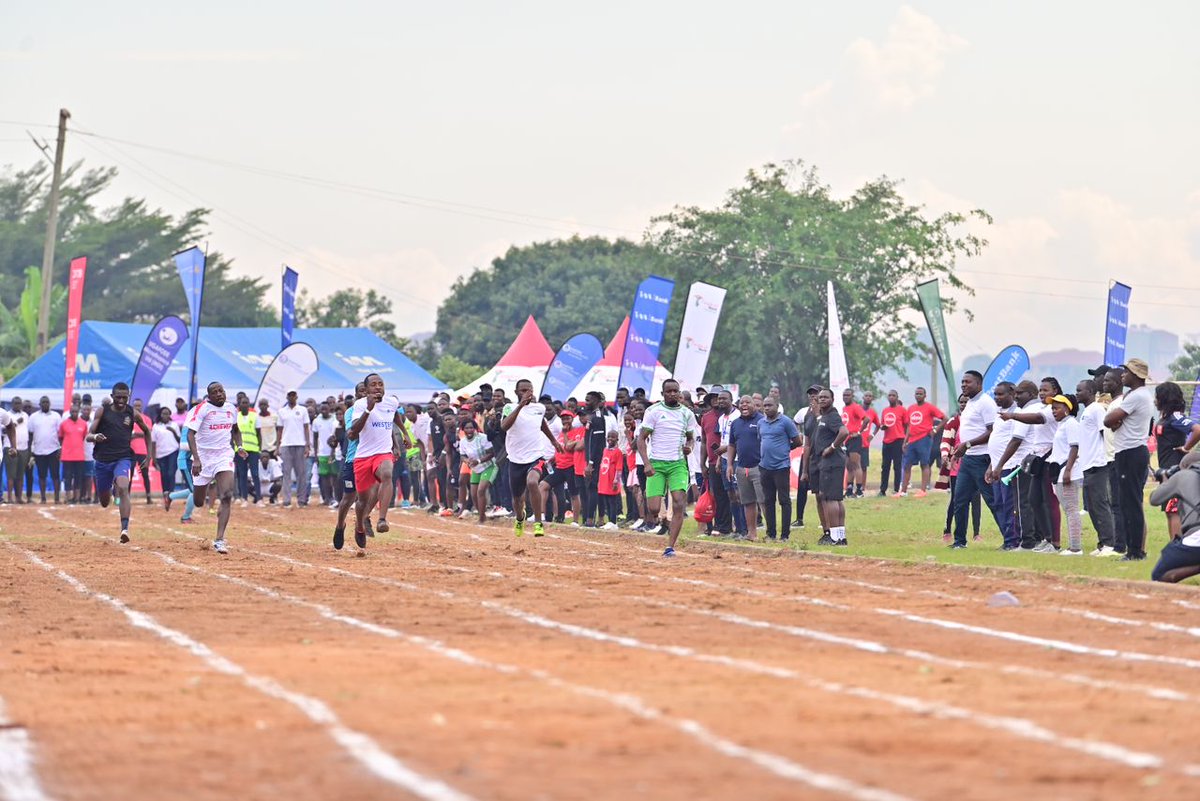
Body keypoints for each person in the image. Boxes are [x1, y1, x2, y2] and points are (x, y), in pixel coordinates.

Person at [347, 373, 413, 550]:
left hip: (383, 452)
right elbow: (355, 430)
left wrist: (404, 434)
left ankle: (382, 519)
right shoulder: (360, 405)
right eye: (374, 385)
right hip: (363, 456)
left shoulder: (391, 402)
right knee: (362, 500)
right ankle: (360, 525)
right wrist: (369, 409)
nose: (378, 387)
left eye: (380, 384)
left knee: (386, 474)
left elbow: (394, 415)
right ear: (367, 389)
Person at [945, 371, 1006, 549]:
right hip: (968, 460)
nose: (963, 385)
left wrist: (968, 444)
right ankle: (959, 541)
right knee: (960, 500)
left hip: (982, 458)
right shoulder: (970, 402)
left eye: (968, 382)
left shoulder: (986, 402)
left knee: (992, 500)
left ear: (979, 384)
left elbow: (992, 431)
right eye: (962, 382)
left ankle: (1009, 539)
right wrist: (960, 451)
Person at [637, 379, 697, 557]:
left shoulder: (687, 414)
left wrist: (690, 447)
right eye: (669, 391)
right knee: (654, 508)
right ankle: (658, 519)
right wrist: (647, 463)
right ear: (663, 394)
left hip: (677, 464)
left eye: (675, 391)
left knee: (679, 502)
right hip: (656, 463)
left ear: (679, 393)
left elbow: (691, 438)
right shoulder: (653, 411)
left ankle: (670, 546)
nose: (672, 394)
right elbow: (641, 439)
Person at [89, 383, 153, 543]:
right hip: (102, 460)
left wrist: (149, 455)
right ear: (112, 396)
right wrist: (96, 437)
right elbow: (88, 435)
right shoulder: (102, 411)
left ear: (128, 396)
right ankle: (109, 490)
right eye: (118, 397)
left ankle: (124, 528)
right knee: (104, 502)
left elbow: (147, 431)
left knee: (124, 488)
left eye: (125, 397)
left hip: (123, 458)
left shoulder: (133, 413)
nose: (121, 400)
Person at [186, 382, 244, 555]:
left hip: (223, 456)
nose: (220, 394)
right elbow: (190, 434)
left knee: (226, 495)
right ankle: (197, 495)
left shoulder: (231, 408)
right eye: (215, 392)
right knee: (198, 501)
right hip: (203, 458)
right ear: (209, 396)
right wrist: (196, 459)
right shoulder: (201, 409)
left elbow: (235, 430)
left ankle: (219, 539)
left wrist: (239, 446)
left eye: (222, 391)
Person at [1104, 359, 1154, 561]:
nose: (1122, 375)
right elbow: (1114, 424)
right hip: (1129, 452)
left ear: (1136, 375)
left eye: (1126, 372)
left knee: (1131, 504)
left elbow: (1108, 421)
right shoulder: (1135, 396)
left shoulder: (1136, 397)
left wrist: (1116, 419)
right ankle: (1134, 550)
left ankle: (1135, 551)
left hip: (1131, 453)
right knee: (1127, 503)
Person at [501, 378, 562, 538]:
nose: (527, 393)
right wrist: (520, 405)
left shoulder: (539, 408)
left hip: (535, 456)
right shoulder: (509, 407)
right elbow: (504, 426)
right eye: (523, 390)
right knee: (517, 499)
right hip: (515, 459)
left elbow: (541, 423)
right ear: (516, 392)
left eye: (530, 390)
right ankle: (520, 519)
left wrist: (554, 441)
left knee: (532, 482)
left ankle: (538, 523)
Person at [1075, 379, 1119, 556]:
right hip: (1087, 465)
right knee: (1092, 506)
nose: (1077, 393)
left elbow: (1105, 433)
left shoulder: (1097, 409)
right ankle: (1102, 542)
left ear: (1091, 391)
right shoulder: (1086, 411)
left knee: (1100, 504)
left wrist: (1107, 457)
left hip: (1098, 464)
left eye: (1080, 390)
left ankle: (1110, 543)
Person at [802, 388, 849, 546]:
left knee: (830, 499)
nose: (821, 400)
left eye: (825, 397)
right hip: (828, 462)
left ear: (833, 399)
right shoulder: (824, 416)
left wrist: (832, 447)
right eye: (820, 397)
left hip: (831, 462)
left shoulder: (832, 416)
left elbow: (844, 432)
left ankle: (835, 537)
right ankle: (840, 536)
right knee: (835, 499)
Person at [1149, 451, 1200, 582]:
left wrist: (1167, 479)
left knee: (1159, 574)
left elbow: (1154, 499)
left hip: (1196, 537)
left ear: (1185, 465)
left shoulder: (1182, 476)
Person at [1046, 394, 1084, 555]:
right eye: (1052, 408)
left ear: (1067, 409)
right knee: (1068, 509)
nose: (1054, 411)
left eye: (1057, 408)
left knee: (1071, 509)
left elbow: (1074, 447)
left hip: (1068, 473)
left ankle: (1075, 547)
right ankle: (1073, 545)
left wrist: (1068, 469)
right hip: (1060, 473)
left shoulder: (1071, 424)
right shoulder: (1062, 425)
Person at [758, 396, 801, 541]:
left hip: (781, 467)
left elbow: (798, 441)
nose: (767, 408)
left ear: (777, 406)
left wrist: (785, 449)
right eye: (765, 406)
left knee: (784, 500)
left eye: (770, 405)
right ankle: (771, 534)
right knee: (768, 500)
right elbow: (761, 440)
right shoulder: (761, 423)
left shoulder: (786, 422)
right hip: (765, 467)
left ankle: (785, 535)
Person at [333, 383, 367, 547]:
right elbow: (352, 435)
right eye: (361, 391)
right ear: (355, 394)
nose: (364, 394)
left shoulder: (377, 410)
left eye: (366, 391)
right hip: (353, 459)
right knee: (349, 498)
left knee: (368, 496)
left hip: (371, 458)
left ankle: (360, 527)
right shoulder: (351, 412)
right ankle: (340, 526)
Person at [726, 395, 765, 542]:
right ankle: (751, 534)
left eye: (747, 402)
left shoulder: (761, 421)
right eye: (741, 403)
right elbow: (732, 445)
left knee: (764, 501)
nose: (744, 405)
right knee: (747, 502)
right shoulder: (735, 423)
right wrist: (730, 465)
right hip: (742, 468)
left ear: (754, 405)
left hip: (759, 467)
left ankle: (771, 533)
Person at [898, 388, 944, 498]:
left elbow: (944, 418)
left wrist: (935, 430)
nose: (918, 395)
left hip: (924, 439)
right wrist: (905, 441)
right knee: (907, 465)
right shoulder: (911, 408)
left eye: (920, 394)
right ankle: (903, 491)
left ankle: (923, 490)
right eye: (917, 394)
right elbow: (909, 426)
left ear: (925, 395)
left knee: (924, 464)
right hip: (912, 440)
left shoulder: (929, 407)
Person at [700, 388, 733, 536]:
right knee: (717, 495)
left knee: (730, 495)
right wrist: (702, 463)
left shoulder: (731, 415)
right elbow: (704, 442)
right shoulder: (706, 417)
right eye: (713, 397)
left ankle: (726, 527)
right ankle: (718, 526)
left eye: (718, 397)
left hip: (728, 460)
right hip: (712, 462)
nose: (716, 400)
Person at [457, 417, 496, 525]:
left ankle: (482, 518)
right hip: (475, 469)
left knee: (481, 490)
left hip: (488, 466)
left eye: (471, 428)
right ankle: (481, 515)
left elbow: (491, 452)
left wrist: (478, 461)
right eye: (466, 428)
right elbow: (462, 456)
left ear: (475, 429)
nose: (469, 430)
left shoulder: (482, 438)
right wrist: (467, 461)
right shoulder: (463, 441)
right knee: (473, 494)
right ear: (463, 430)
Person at [277, 390, 311, 508]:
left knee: (301, 474)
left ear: (296, 397)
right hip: (286, 444)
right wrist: (277, 446)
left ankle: (301, 500)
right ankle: (287, 500)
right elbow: (279, 430)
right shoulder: (282, 411)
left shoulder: (302, 410)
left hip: (300, 444)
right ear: (287, 397)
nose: (291, 397)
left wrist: (307, 445)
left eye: (293, 395)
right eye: (289, 395)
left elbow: (306, 428)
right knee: (286, 473)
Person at [28, 396, 62, 504]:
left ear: (50, 404)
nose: (45, 404)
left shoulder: (56, 416)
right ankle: (43, 498)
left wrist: (60, 449)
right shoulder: (33, 417)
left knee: (55, 475)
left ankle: (57, 499)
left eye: (47, 402)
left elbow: (60, 434)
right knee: (42, 476)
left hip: (54, 450)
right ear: (39, 404)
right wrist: (31, 451)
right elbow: (30, 434)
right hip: (39, 451)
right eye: (43, 402)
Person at [58, 403, 89, 504]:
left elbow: (83, 437)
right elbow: (60, 437)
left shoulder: (83, 424)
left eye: (76, 411)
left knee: (78, 478)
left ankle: (76, 498)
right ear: (70, 412)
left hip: (79, 456)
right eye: (73, 412)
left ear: (78, 412)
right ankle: (68, 498)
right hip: (67, 456)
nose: (74, 413)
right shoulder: (64, 424)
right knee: (67, 478)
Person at [151, 406, 181, 508]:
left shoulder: (174, 425)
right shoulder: (156, 426)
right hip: (160, 454)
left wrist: (172, 431)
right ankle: (165, 494)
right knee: (164, 475)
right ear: (160, 414)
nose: (165, 415)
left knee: (171, 473)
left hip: (173, 452)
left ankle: (171, 495)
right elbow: (153, 443)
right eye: (163, 413)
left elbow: (179, 440)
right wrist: (153, 458)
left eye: (167, 413)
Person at [234, 396, 261, 504]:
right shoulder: (236, 417)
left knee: (255, 474)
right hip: (240, 450)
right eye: (242, 403)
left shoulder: (255, 416)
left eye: (246, 403)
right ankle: (244, 498)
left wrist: (260, 448)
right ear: (239, 405)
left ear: (249, 404)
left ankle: (259, 499)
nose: (245, 405)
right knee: (242, 474)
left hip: (253, 449)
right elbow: (234, 433)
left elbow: (259, 434)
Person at [840, 389, 867, 498]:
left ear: (852, 396)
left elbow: (866, 419)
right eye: (844, 395)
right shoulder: (844, 408)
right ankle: (849, 490)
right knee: (849, 466)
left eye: (848, 395)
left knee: (856, 465)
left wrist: (859, 432)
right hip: (846, 440)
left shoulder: (856, 407)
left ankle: (859, 491)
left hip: (854, 439)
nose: (846, 397)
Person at [312, 401, 339, 506]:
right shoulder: (316, 421)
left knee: (335, 477)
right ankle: (327, 498)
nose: (324, 411)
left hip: (334, 453)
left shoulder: (334, 420)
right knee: (324, 477)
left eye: (326, 409)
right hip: (321, 453)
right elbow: (315, 438)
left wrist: (333, 452)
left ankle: (336, 498)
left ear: (329, 409)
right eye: (322, 409)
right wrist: (315, 454)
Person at [4, 396, 30, 503]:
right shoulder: (7, 415)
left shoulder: (25, 415)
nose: (18, 405)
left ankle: (18, 497)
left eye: (20, 403)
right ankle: (10, 498)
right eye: (16, 403)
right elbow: (4, 431)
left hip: (23, 448)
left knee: (20, 474)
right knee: (11, 474)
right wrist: (16, 422)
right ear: (12, 404)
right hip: (10, 448)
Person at [597, 430, 624, 530]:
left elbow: (619, 467)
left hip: (612, 480)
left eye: (613, 437)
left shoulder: (618, 452)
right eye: (608, 437)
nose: (610, 439)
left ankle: (613, 521)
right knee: (606, 501)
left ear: (617, 439)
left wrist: (616, 480)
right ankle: (609, 521)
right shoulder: (605, 450)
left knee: (612, 501)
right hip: (604, 479)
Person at [129, 399, 154, 504]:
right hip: (130, 451)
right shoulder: (129, 419)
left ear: (142, 406)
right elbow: (127, 434)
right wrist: (141, 434)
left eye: (139, 405)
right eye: (135, 406)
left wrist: (135, 435)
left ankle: (148, 497)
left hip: (143, 451)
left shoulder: (147, 419)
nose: (137, 407)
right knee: (128, 475)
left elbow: (148, 433)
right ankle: (126, 496)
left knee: (145, 475)